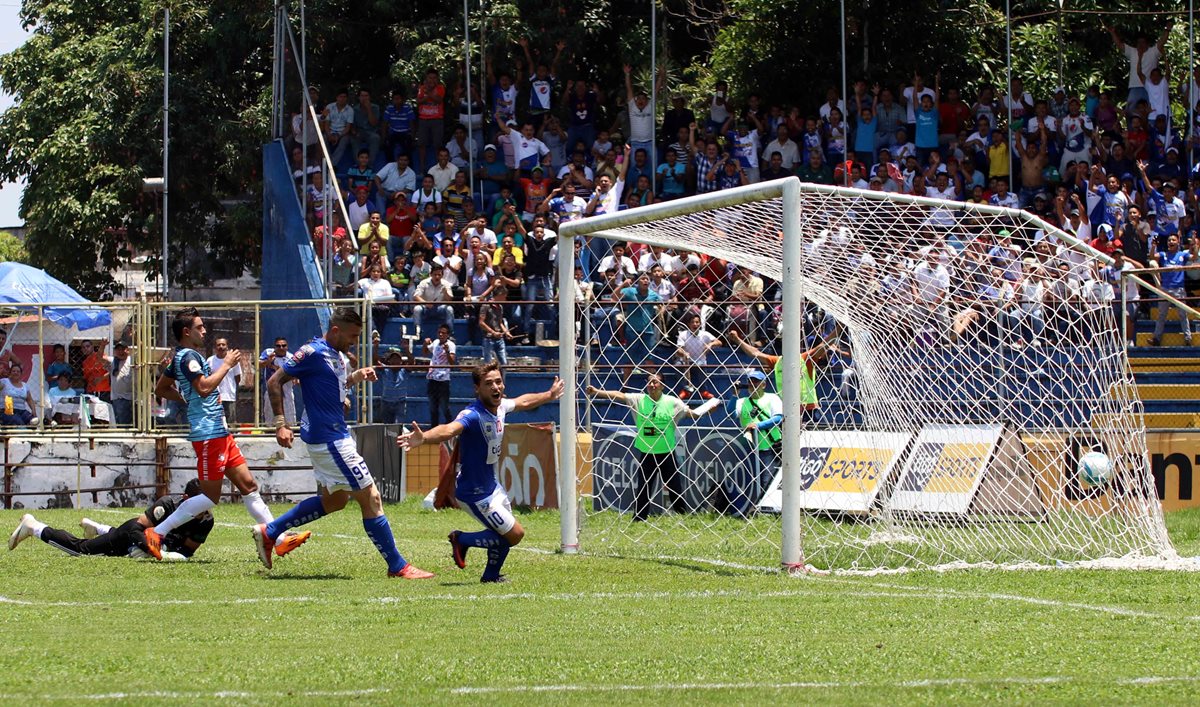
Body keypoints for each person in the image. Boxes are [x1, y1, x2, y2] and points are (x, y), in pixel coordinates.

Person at [257, 307, 433, 579]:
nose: (354, 341)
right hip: (330, 440)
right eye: (352, 336)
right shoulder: (312, 352)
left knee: (335, 500)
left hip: (333, 435)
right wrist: (281, 423)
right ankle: (398, 566)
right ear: (336, 330)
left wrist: (355, 378)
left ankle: (270, 532)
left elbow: (332, 387)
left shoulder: (336, 355)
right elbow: (274, 380)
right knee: (371, 497)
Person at [146, 308, 305, 564]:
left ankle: (276, 538)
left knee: (248, 486)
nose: (204, 331)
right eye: (199, 327)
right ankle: (157, 532)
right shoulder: (189, 357)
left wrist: (187, 398)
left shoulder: (181, 357)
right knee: (210, 497)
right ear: (186, 332)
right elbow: (204, 388)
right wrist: (227, 365)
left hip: (220, 432)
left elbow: (162, 388)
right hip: (208, 433)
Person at [397, 362, 563, 583]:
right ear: (477, 389)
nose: (495, 387)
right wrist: (424, 437)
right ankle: (461, 539)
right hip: (474, 493)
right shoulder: (472, 415)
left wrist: (549, 395)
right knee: (515, 535)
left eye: (498, 382)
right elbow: (449, 429)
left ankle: (491, 576)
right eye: (488, 383)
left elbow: (523, 402)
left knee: (503, 532)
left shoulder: (500, 407)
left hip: (491, 485)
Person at [585, 373, 721, 521]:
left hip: (667, 453)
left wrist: (709, 410)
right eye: (649, 382)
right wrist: (597, 392)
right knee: (643, 487)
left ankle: (683, 516)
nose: (651, 385)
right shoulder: (639, 399)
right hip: (647, 452)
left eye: (655, 382)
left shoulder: (672, 402)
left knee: (675, 488)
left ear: (662, 386)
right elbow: (619, 395)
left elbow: (693, 414)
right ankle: (639, 518)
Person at [8, 479, 212, 561]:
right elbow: (136, 529)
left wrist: (165, 554)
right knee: (82, 550)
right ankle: (34, 526)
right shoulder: (167, 504)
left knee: (111, 544)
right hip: (130, 536)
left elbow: (187, 550)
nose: (203, 509)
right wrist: (149, 548)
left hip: (153, 545)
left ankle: (96, 527)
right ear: (186, 499)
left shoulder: (207, 520)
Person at [728, 328, 827, 423]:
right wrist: (737, 339)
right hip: (787, 409)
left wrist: (836, 331)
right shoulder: (777, 361)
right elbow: (755, 353)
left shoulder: (805, 358)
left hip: (808, 408)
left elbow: (823, 345)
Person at [728, 369, 783, 517]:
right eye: (751, 381)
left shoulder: (772, 398)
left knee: (767, 479)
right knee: (748, 480)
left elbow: (778, 418)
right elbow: (730, 414)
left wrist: (758, 426)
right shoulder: (741, 401)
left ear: (763, 385)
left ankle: (766, 510)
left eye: (756, 382)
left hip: (768, 446)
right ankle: (749, 509)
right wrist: (734, 395)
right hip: (748, 448)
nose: (753, 384)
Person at [259, 338, 297, 425]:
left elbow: (295, 374)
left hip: (287, 392)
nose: (281, 348)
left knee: (289, 421)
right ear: (275, 347)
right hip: (271, 392)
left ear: (287, 347)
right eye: (278, 346)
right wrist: (268, 361)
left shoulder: (291, 358)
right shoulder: (269, 352)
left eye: (283, 345)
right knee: (270, 422)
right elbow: (258, 364)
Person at [206, 337, 242, 426]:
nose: (221, 347)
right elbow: (207, 377)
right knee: (215, 421)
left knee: (230, 422)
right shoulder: (210, 360)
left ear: (227, 347)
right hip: (215, 397)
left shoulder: (233, 360)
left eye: (223, 344)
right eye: (218, 345)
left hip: (229, 395)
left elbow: (238, 378)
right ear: (215, 347)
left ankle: (231, 434)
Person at [425, 323, 455, 427]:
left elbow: (452, 363)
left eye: (443, 333)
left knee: (444, 407)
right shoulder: (435, 342)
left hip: (443, 380)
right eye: (439, 332)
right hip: (432, 379)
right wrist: (425, 344)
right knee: (433, 407)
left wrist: (447, 352)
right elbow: (425, 352)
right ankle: (434, 428)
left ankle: (450, 428)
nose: (441, 335)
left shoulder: (451, 345)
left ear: (448, 335)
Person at [0, 362, 36, 426]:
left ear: (21, 374)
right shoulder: (4, 382)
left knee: (34, 421)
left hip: (22, 411)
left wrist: (33, 411)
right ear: (10, 373)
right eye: (13, 371)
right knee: (18, 422)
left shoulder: (25, 385)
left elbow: (30, 400)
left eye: (18, 371)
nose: (16, 373)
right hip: (7, 411)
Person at [110, 340, 134, 425]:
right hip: (116, 398)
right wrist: (102, 346)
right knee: (117, 422)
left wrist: (137, 338)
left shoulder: (132, 360)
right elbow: (100, 358)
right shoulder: (114, 361)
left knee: (123, 423)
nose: (120, 352)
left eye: (122, 349)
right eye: (118, 350)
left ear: (127, 350)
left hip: (127, 398)